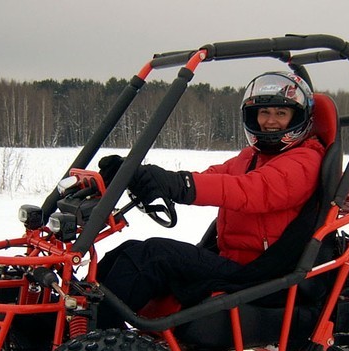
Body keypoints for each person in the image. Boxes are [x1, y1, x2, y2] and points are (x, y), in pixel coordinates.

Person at [96, 71, 326, 319]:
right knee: (126, 251)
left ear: (298, 117)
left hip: (260, 272)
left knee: (151, 257)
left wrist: (179, 185)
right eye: (264, 112)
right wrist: (142, 175)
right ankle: (71, 321)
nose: (270, 121)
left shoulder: (305, 161)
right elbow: (213, 177)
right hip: (232, 260)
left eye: (281, 113)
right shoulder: (252, 156)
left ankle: (92, 336)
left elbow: (250, 190)